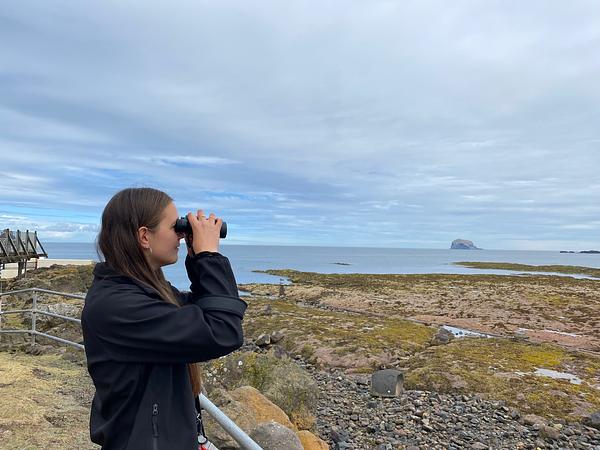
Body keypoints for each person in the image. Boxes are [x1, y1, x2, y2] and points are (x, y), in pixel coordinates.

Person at [81, 187, 247, 450]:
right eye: (176, 228)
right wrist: (209, 256)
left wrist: (196, 257)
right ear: (145, 236)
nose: (181, 237)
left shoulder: (141, 291)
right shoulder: (119, 306)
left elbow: (204, 311)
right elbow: (222, 330)